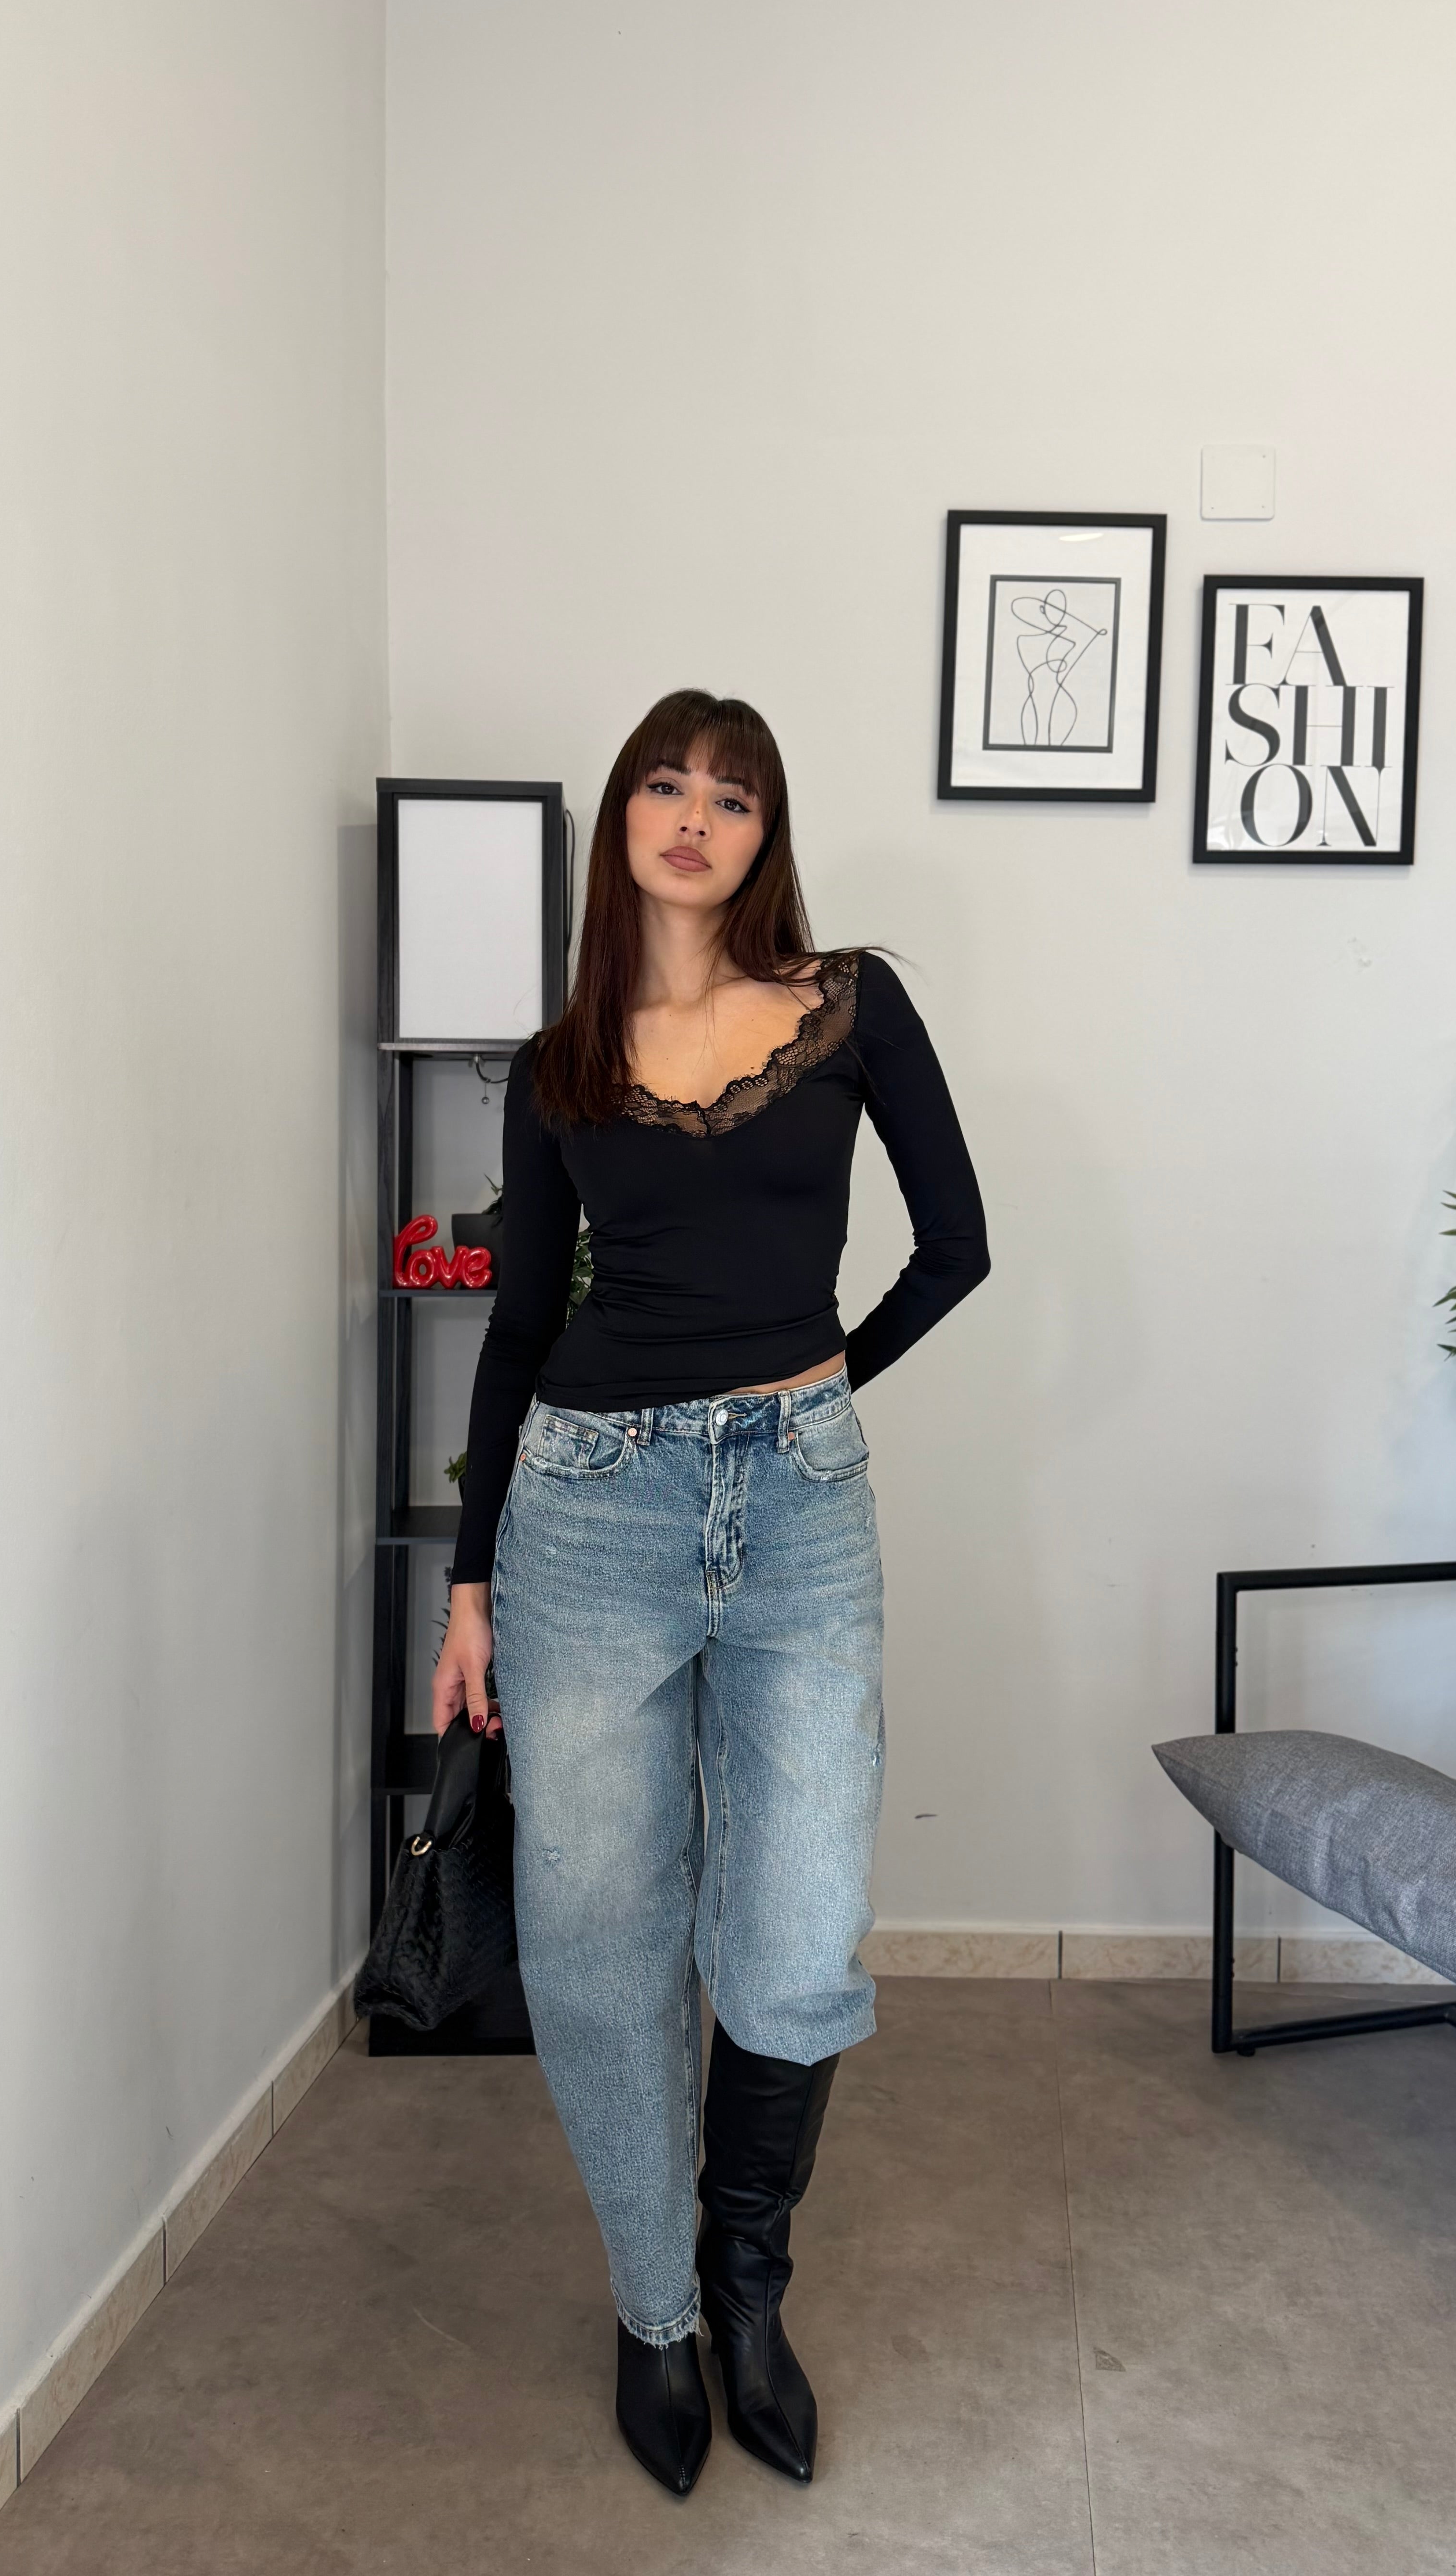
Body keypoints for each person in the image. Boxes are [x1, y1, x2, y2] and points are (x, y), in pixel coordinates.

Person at [434, 688, 989, 2497]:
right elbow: (520, 1323)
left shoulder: (851, 1005)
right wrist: (466, 1585)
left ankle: (749, 2291)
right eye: (666, 785)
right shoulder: (560, 1062)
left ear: (767, 834)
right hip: (584, 1515)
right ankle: (654, 2310)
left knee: (800, 1929)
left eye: (732, 796)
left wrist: (816, 1392)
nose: (695, 816)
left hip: (800, 1510)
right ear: (622, 820)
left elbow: (958, 1246)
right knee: (599, 1937)